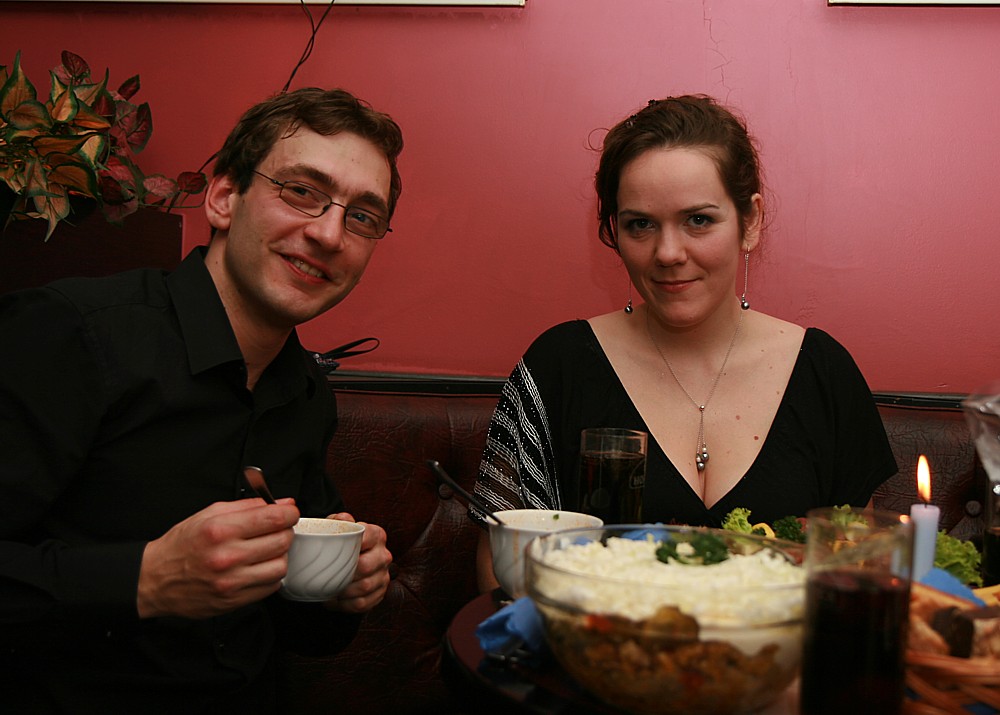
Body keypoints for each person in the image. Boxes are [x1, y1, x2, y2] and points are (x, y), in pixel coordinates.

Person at [0, 87, 402, 711]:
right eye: (301, 191)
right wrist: (145, 579)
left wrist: (340, 592)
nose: (329, 233)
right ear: (223, 198)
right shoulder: (72, 334)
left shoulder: (305, 394)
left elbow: (299, 635)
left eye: (363, 218)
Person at [471, 95, 897, 591]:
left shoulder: (824, 372)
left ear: (750, 221)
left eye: (698, 220)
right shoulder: (557, 366)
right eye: (640, 224)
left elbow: (861, 572)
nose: (668, 253)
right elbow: (500, 572)